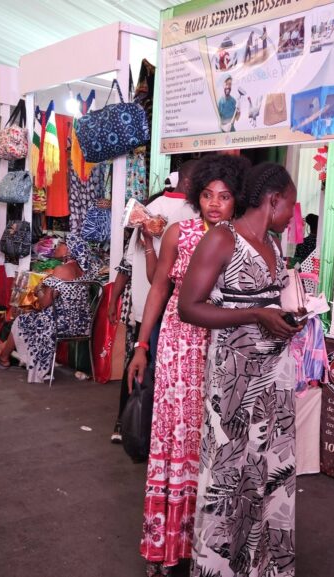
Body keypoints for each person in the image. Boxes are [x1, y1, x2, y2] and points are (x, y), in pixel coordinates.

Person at [127, 154, 249, 577]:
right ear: (197, 197)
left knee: (216, 443)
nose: (215, 203)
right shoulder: (180, 232)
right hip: (180, 347)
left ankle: (211, 547)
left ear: (237, 200)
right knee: (175, 440)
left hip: (224, 347)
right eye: (208, 195)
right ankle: (165, 547)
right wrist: (141, 345)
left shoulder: (242, 239)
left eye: (224, 196)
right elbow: (159, 289)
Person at [178, 163, 301, 577]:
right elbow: (188, 307)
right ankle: (218, 567)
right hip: (234, 375)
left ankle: (260, 566)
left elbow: (269, 301)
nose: (293, 214)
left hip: (274, 376)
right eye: (291, 205)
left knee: (267, 470)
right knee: (227, 472)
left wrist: (288, 318)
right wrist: (255, 315)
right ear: (274, 200)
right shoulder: (222, 238)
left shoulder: (273, 244)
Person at [108, 162, 200, 443]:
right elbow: (159, 275)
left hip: (142, 305)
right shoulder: (194, 215)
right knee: (163, 372)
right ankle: (155, 431)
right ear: (192, 183)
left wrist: (114, 298)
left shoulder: (146, 209)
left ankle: (125, 425)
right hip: (172, 308)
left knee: (137, 363)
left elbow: (126, 263)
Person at [0, 233, 93, 384]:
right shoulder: (84, 270)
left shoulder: (61, 270)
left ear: (69, 250)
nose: (56, 247)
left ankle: (3, 355)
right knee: (28, 317)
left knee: (21, 319)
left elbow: (44, 303)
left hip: (60, 325)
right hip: (81, 324)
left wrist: (38, 290)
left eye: (61, 244)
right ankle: (3, 351)